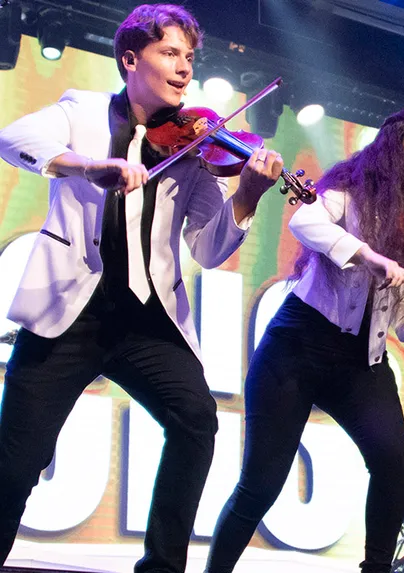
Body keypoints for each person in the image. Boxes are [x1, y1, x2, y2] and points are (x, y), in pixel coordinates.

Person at [0, 4, 283, 571]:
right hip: (70, 310)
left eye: (189, 58)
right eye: (169, 53)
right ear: (131, 59)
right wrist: (87, 167)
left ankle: (161, 568)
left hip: (148, 317)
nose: (183, 68)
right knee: (16, 464)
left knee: (196, 421)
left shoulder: (199, 148)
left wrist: (247, 197)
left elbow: (206, 247)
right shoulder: (80, 110)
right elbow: (14, 139)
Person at [205, 107, 404, 573]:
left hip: (361, 364)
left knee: (392, 467)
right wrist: (367, 255)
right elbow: (304, 224)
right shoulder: (354, 193)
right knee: (260, 484)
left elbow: (403, 323)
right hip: (297, 348)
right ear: (395, 146)